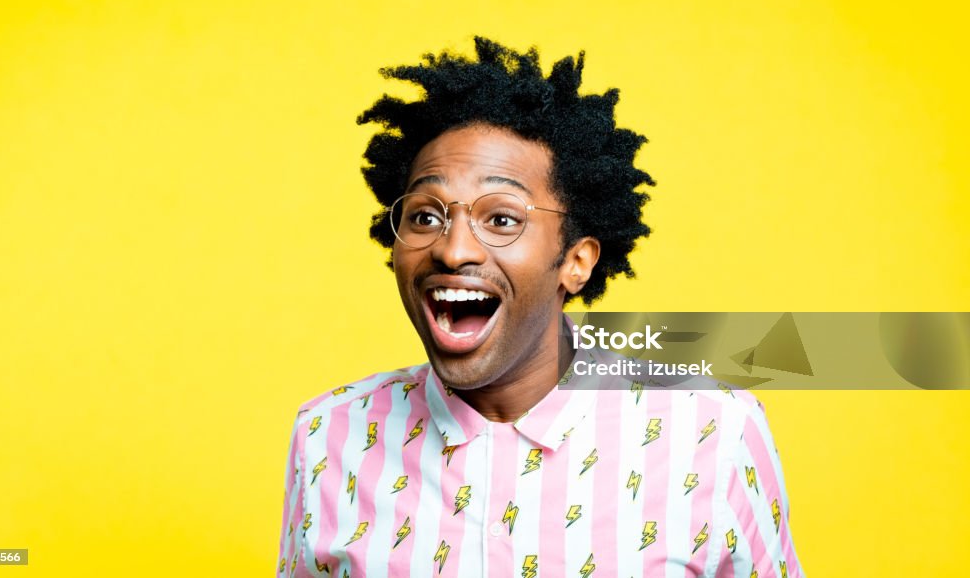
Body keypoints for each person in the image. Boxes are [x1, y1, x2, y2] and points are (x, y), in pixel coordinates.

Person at [276, 38, 803, 577]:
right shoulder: (330, 433)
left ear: (575, 261)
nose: (453, 249)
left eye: (502, 219)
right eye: (426, 216)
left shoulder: (710, 429)